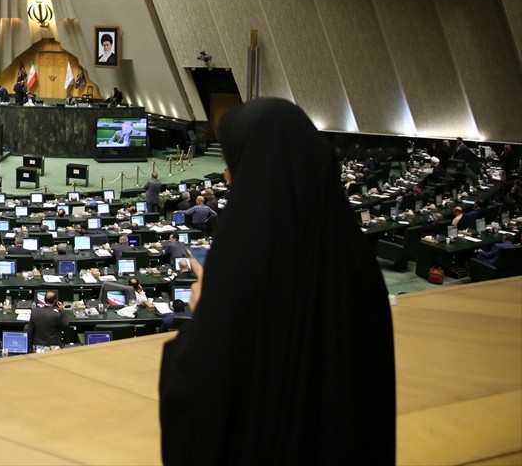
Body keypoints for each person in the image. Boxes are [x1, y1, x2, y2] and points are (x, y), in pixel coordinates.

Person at [159, 97, 394, 466]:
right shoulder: (356, 259)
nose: (226, 176)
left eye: (233, 164)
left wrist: (204, 310)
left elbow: (197, 398)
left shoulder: (242, 257)